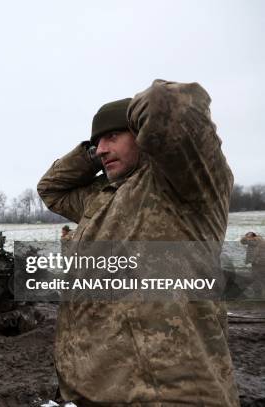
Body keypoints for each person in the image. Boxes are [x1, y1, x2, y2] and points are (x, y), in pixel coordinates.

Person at [37, 80, 239, 405]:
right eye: (97, 143)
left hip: (171, 395)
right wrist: (92, 155)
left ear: (142, 137)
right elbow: (50, 189)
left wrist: (137, 122)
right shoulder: (102, 198)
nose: (102, 149)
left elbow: (168, 105)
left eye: (112, 136)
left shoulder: (180, 186)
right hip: (98, 388)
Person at [240, 231, 265, 297]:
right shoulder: (261, 240)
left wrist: (246, 237)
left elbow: (242, 241)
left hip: (258, 262)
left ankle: (258, 294)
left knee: (256, 277)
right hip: (260, 262)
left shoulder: (254, 241)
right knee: (260, 277)